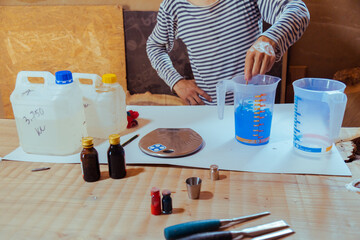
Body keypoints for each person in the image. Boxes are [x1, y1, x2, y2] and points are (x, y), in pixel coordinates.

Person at [147, 0, 310, 105]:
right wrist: (176, 82)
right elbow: (154, 46)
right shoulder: (172, 6)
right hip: (208, 110)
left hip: (255, 108)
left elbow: (298, 11)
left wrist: (270, 39)